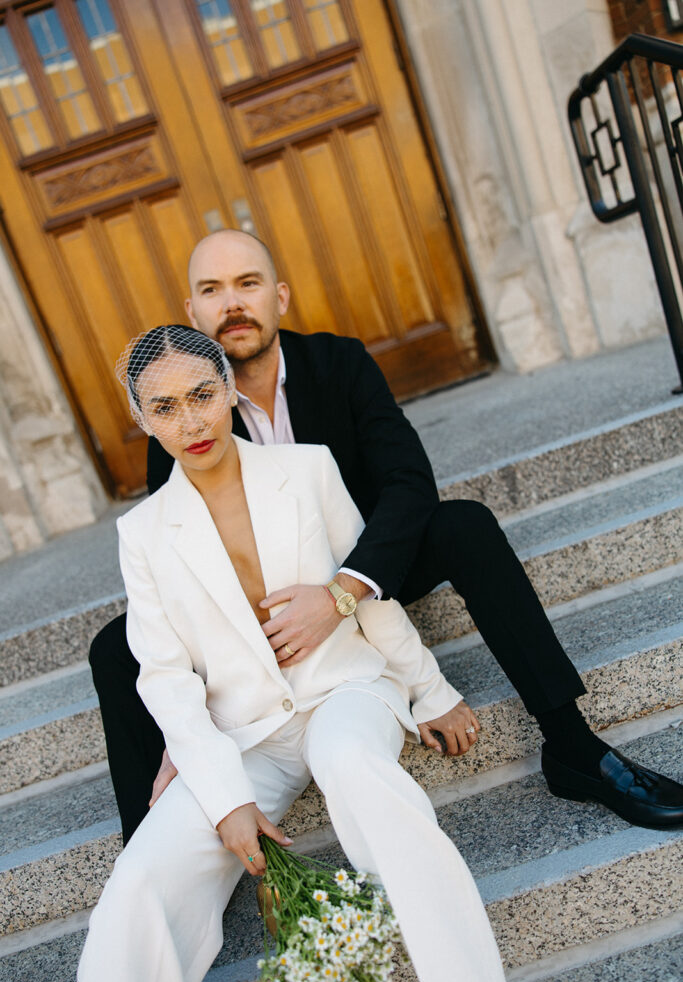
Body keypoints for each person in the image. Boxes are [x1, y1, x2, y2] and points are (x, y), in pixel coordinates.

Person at [91, 230, 683, 845]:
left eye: (248, 283)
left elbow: (408, 483)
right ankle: (151, 844)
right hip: (265, 617)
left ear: (280, 296)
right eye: (211, 290)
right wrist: (180, 737)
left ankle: (574, 746)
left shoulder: (339, 363)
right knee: (115, 649)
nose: (232, 303)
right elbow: (178, 556)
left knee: (466, 525)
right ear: (191, 314)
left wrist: (343, 591)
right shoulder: (183, 411)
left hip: (371, 572)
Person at [71, 325, 519, 982]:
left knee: (357, 771)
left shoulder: (308, 468)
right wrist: (221, 796)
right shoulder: (143, 533)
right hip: (242, 736)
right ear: (140, 419)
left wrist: (431, 690)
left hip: (344, 691)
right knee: (138, 882)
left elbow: (368, 598)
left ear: (228, 389)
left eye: (202, 395)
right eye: (164, 408)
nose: (190, 421)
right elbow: (164, 677)